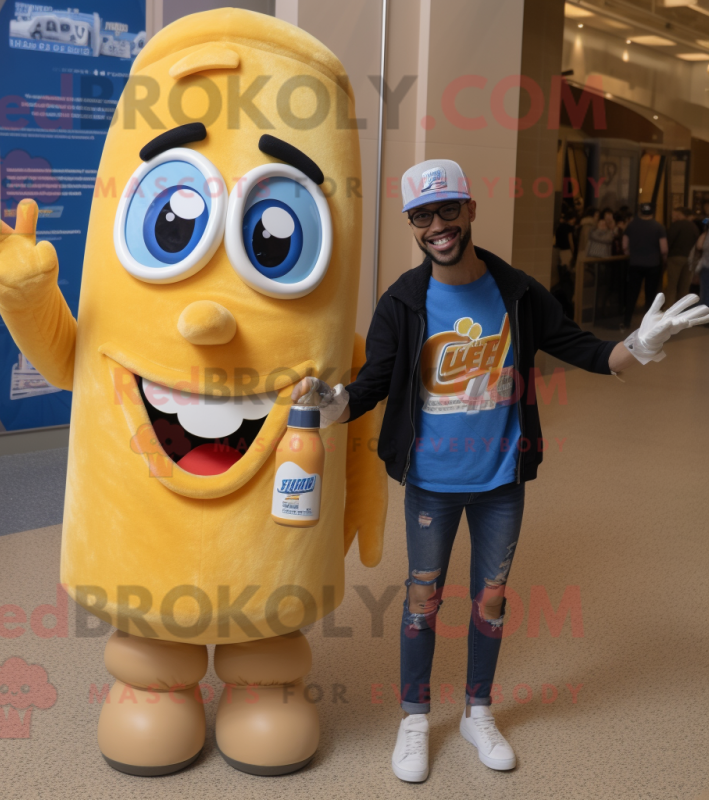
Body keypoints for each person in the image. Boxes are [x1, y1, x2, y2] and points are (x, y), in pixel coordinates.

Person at [290, 159, 709, 783]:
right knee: (422, 600)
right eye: (423, 216)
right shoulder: (403, 302)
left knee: (491, 600)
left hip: (499, 483)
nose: (438, 226)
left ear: (470, 211)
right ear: (412, 224)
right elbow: (371, 387)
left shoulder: (517, 291)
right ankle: (414, 718)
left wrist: (640, 346)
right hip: (431, 482)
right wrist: (332, 402)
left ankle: (477, 711)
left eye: (449, 210)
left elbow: (589, 352)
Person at [622, 202, 667, 330]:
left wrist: (629, 254)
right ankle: (648, 324)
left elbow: (624, 245)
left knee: (632, 293)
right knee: (650, 295)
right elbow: (664, 249)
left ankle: (626, 321)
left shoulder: (631, 226)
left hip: (635, 264)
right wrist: (664, 261)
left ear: (640, 211)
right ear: (652, 212)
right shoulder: (659, 227)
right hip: (653, 265)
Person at [665, 206, 699, 307]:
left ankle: (669, 309)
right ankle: (682, 310)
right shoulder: (694, 226)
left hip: (675, 257)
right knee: (684, 287)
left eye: (674, 215)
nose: (673, 217)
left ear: (679, 215)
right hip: (689, 259)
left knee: (672, 286)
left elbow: (669, 240)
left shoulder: (677, 225)